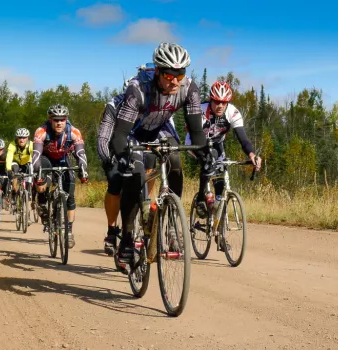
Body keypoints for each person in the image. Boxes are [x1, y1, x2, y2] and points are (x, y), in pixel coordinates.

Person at [109, 42, 207, 262]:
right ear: (158, 72)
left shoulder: (189, 89)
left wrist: (204, 154)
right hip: (134, 130)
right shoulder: (138, 89)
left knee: (175, 159)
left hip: (160, 128)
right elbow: (120, 134)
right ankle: (126, 238)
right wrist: (122, 155)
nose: (175, 81)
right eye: (169, 76)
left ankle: (172, 221)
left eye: (179, 76)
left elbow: (197, 132)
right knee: (134, 175)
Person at [97, 63, 181, 255]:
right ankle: (112, 230)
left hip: (143, 144)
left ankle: (146, 208)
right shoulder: (115, 104)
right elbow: (104, 136)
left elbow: (170, 131)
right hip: (119, 147)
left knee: (152, 161)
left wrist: (172, 150)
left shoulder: (159, 104)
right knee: (116, 182)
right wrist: (109, 159)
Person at [185, 81, 261, 218]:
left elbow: (243, 138)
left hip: (217, 143)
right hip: (195, 142)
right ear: (210, 99)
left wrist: (252, 154)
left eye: (224, 102)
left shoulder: (232, 112)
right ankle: (201, 198)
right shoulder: (200, 110)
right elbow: (195, 134)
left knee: (221, 168)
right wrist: (207, 157)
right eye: (216, 102)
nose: (220, 106)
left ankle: (217, 207)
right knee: (208, 162)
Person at [32, 104, 89, 248]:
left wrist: (83, 168)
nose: (59, 122)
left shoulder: (74, 132)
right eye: (55, 119)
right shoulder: (41, 131)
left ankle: (69, 231)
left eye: (62, 119)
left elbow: (80, 153)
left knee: (70, 195)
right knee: (41, 180)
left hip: (64, 159)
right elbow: (37, 154)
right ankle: (43, 204)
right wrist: (37, 169)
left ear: (66, 120)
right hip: (46, 159)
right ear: (50, 120)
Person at [6, 128, 33, 205]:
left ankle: (29, 191)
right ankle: (14, 193)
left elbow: (34, 156)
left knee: (31, 168)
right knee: (15, 170)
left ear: (27, 138)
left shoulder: (31, 144)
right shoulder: (12, 145)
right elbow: (9, 157)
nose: (22, 140)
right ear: (17, 138)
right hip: (16, 162)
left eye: (24, 138)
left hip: (26, 163)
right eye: (20, 137)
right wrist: (8, 169)